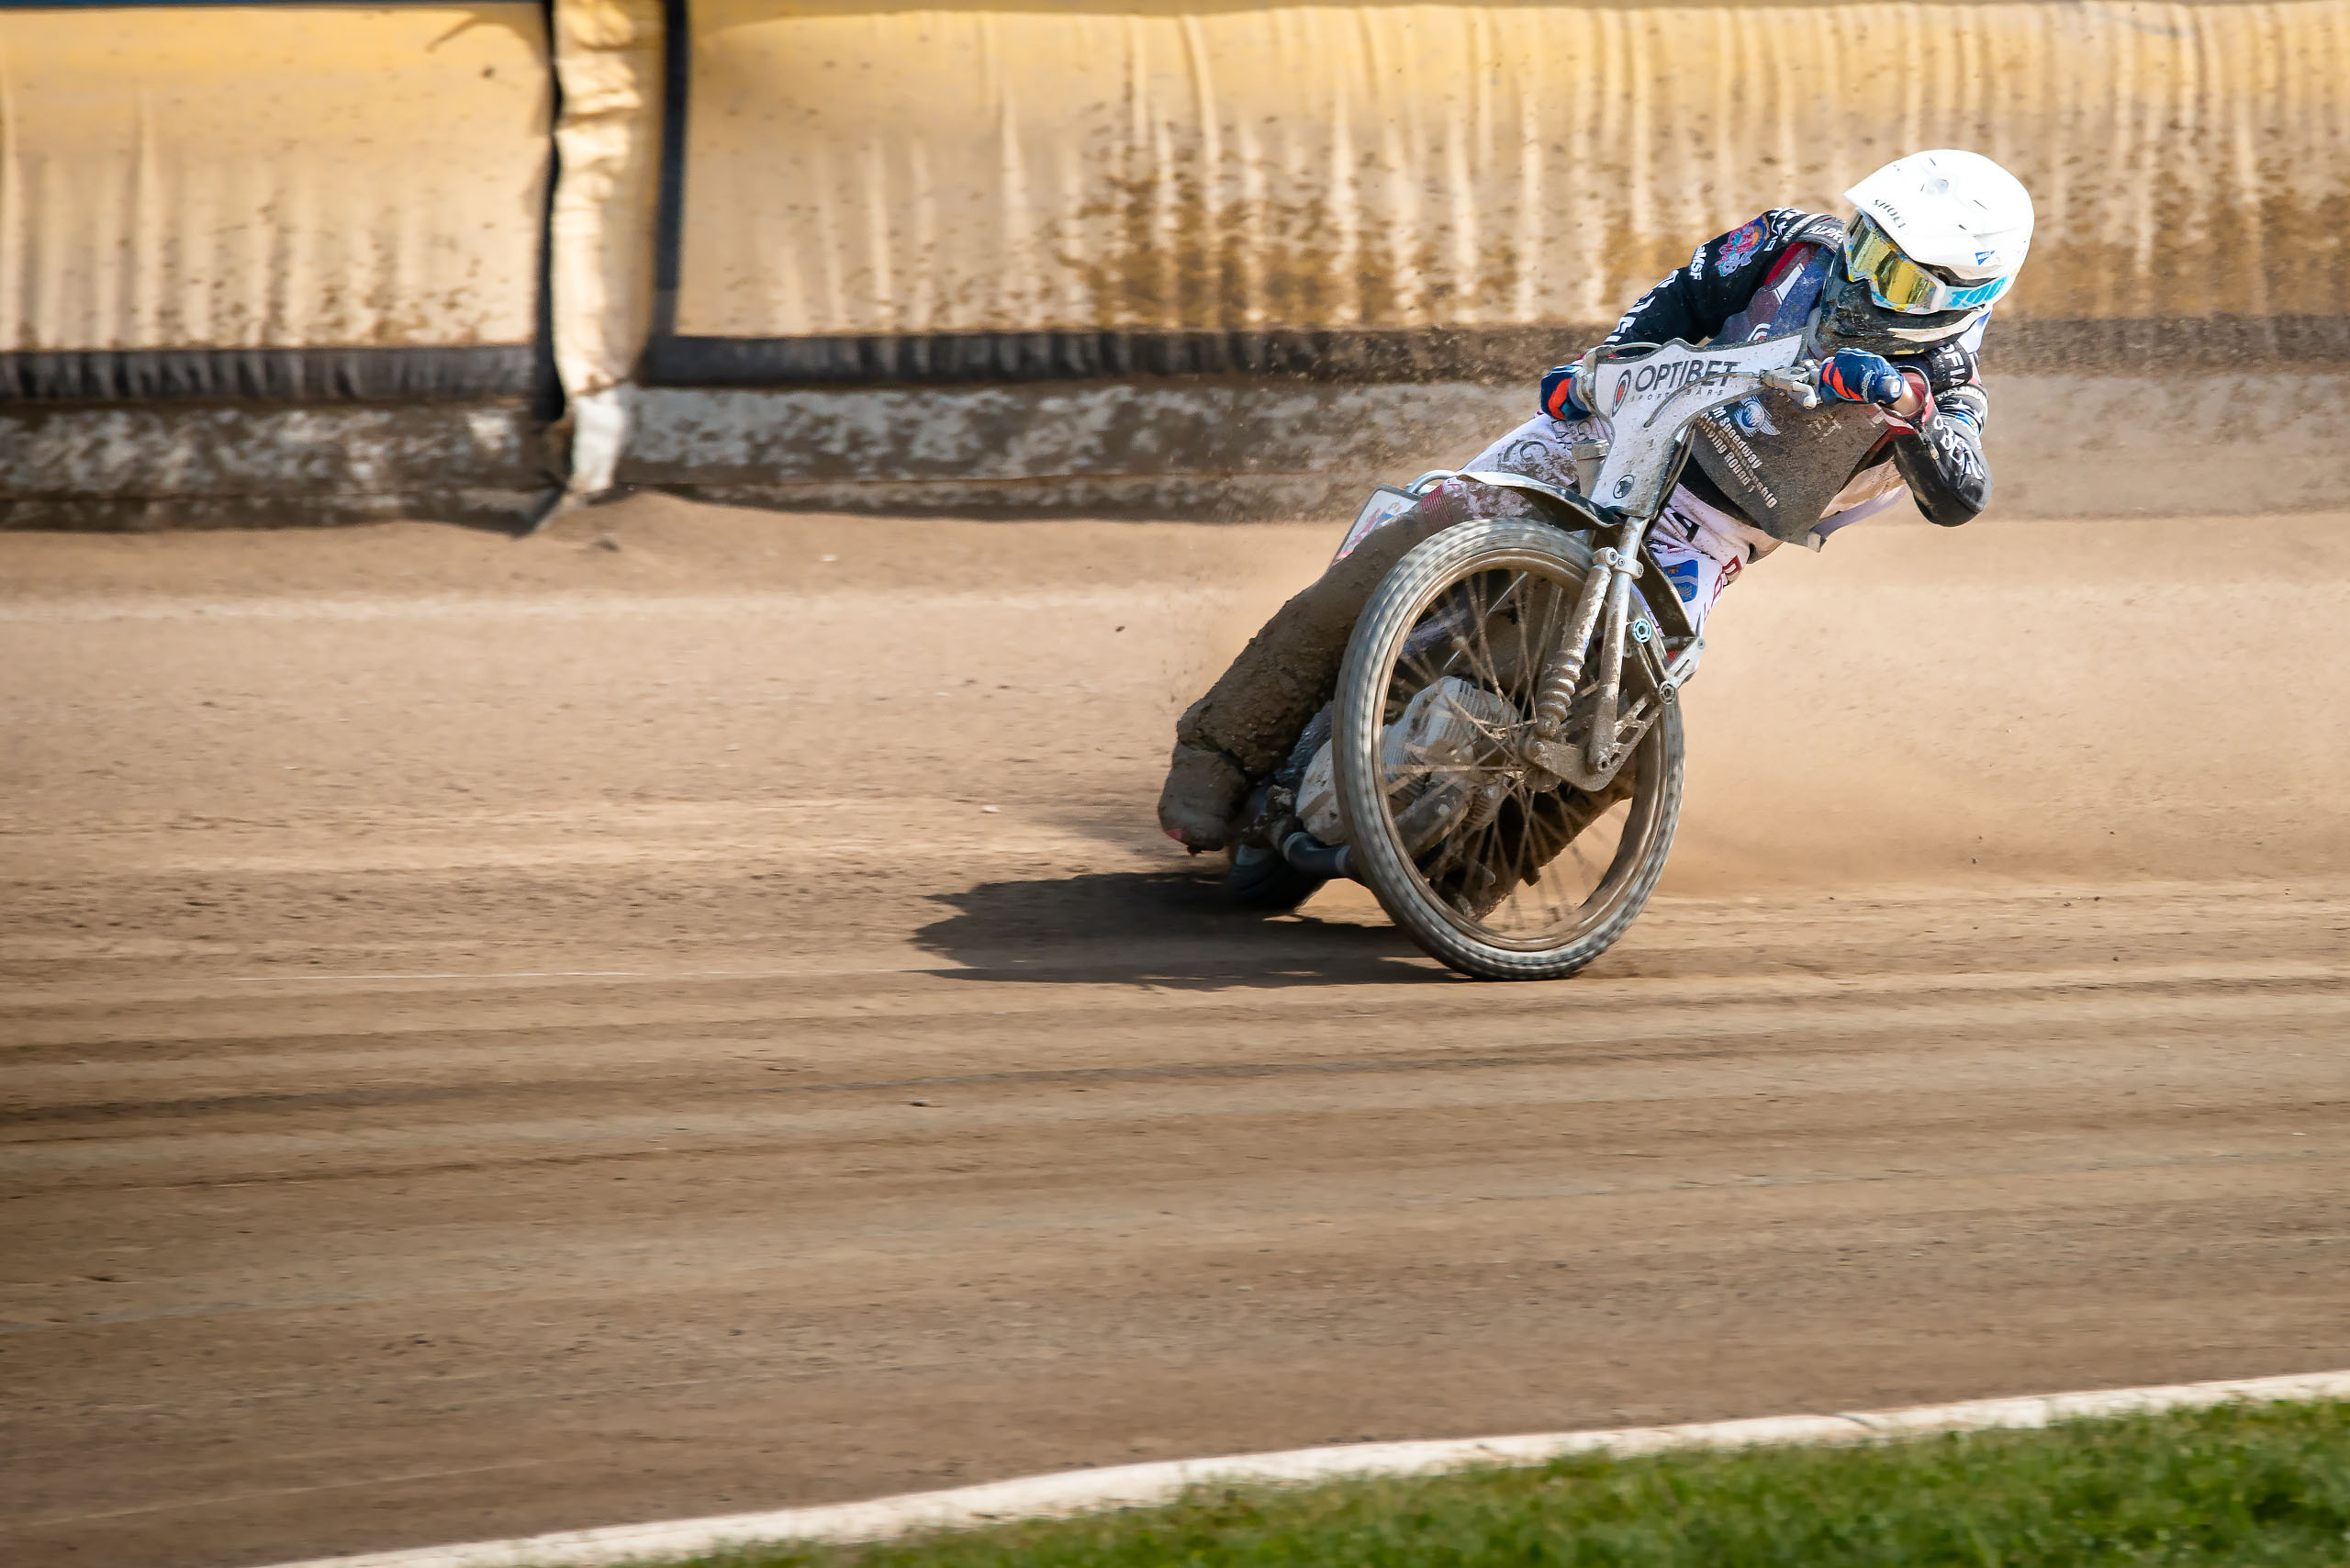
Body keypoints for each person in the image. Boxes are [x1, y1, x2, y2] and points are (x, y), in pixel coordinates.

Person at [1158, 149, 2036, 853]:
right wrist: (1599, 373)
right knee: (1434, 524)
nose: (1865, 277)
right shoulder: (1786, 244)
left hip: (1713, 529)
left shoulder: (1943, 387)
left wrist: (1910, 407)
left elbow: (1962, 492)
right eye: (1868, 244)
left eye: (1903, 278)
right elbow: (1678, 299)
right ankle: (1222, 752)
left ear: (1966, 300)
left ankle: (1467, 889)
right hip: (1613, 432)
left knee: (1626, 712)